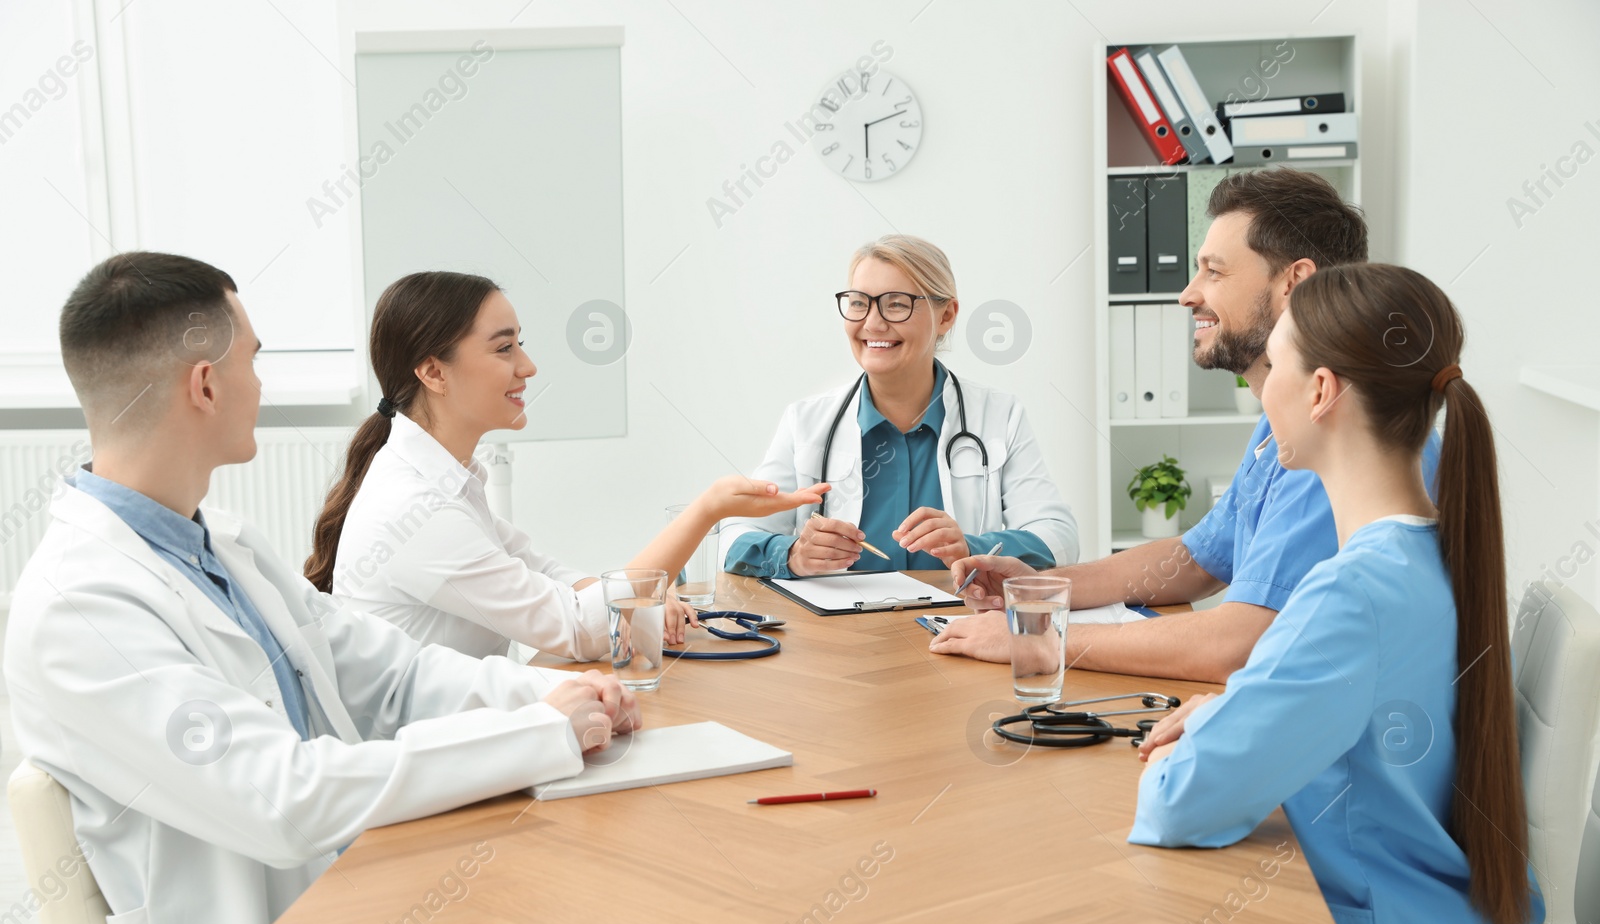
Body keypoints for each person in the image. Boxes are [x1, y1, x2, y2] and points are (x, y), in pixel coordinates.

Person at [2, 252, 724, 924]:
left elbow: (395, 674)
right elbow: (285, 799)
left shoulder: (224, 543)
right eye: (254, 360)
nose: (261, 384)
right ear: (204, 384)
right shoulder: (79, 607)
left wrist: (564, 692)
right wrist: (541, 733)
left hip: (375, 916)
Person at [952, 263, 1541, 924]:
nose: (1263, 390)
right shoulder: (1437, 554)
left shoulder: (1350, 593)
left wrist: (1212, 728)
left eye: (1279, 366)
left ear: (1323, 390)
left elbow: (1180, 805)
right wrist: (1232, 713)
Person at [932, 169, 1437, 683]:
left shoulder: (1333, 440)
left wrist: (1037, 639)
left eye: (1214, 272)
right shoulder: (1281, 427)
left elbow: (1237, 646)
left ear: (1295, 283)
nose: (1187, 294)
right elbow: (1197, 559)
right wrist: (1043, 586)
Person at [306, 270, 826, 664]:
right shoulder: (416, 509)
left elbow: (546, 572)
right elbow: (579, 629)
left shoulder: (448, 481)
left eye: (520, 344)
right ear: (433, 372)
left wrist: (645, 598)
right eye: (504, 348)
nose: (527, 367)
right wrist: (705, 512)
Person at [719, 235, 1077, 579]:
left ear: (947, 315)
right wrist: (793, 554)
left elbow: (1059, 538)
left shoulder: (1000, 416)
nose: (872, 323)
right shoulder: (806, 422)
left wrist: (972, 548)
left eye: (896, 304)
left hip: (959, 629)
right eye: (859, 302)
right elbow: (733, 538)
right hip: (839, 637)